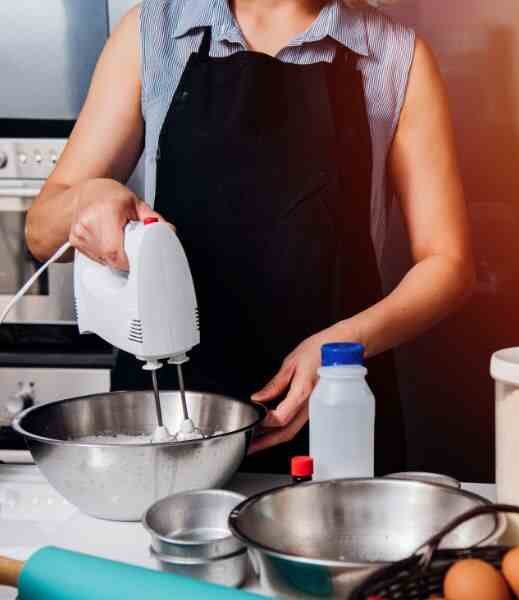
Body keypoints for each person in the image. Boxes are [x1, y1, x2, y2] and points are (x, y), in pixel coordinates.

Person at [25, 0, 473, 474]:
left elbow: (448, 263)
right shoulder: (151, 34)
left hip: (332, 405)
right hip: (169, 412)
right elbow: (40, 231)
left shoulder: (395, 56)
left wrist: (342, 350)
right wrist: (86, 200)